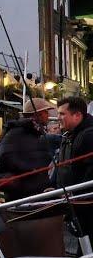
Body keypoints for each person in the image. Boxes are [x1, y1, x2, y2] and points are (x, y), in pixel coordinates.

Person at [0, 98, 54, 201]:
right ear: (38, 114)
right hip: (24, 194)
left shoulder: (36, 132)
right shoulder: (16, 133)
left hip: (36, 192)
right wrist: (29, 169)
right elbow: (4, 156)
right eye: (45, 112)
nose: (48, 115)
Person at [55, 96, 93, 240]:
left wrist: (74, 194)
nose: (58, 117)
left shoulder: (88, 136)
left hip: (86, 207)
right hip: (77, 204)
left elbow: (89, 173)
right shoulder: (70, 135)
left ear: (77, 115)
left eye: (62, 114)